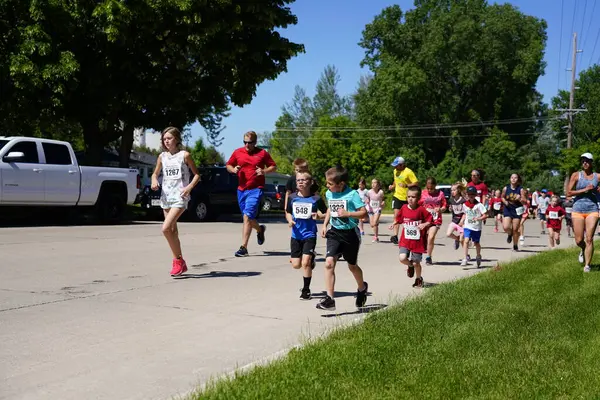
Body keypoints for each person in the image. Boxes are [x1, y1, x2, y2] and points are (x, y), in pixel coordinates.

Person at [151, 127, 201, 276]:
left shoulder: (184, 155)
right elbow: (155, 173)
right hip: (166, 196)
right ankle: (179, 262)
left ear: (177, 139)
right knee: (172, 231)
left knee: (165, 228)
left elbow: (197, 175)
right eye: (164, 139)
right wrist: (154, 180)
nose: (166, 141)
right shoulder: (162, 157)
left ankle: (178, 261)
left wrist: (189, 187)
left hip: (180, 196)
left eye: (169, 138)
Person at [318, 166, 369, 311]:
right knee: (329, 263)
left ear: (340, 184)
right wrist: (324, 224)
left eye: (330, 183)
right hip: (334, 233)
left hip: (350, 234)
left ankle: (362, 287)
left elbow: (363, 213)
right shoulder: (329, 193)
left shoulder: (352, 194)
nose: (327, 186)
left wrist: (348, 214)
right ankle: (330, 299)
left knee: (352, 266)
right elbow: (330, 208)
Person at [226, 131, 277, 257]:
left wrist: (264, 171)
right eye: (245, 142)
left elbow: (273, 166)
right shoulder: (238, 152)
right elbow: (228, 165)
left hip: (256, 189)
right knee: (247, 217)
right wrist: (233, 170)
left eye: (249, 143)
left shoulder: (262, 153)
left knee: (247, 217)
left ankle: (243, 247)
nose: (247, 145)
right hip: (241, 189)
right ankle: (260, 230)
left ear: (255, 142)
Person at [286, 171, 327, 300]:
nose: (300, 182)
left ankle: (306, 289)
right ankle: (312, 258)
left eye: (303, 180)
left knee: (305, 263)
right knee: (296, 265)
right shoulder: (292, 198)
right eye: (298, 180)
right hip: (296, 235)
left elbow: (327, 213)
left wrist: (319, 216)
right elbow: (287, 212)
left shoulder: (316, 199)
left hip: (309, 234)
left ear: (310, 182)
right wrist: (289, 220)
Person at [390, 186, 433, 288]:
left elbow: (430, 220)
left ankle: (418, 279)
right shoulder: (404, 208)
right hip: (406, 239)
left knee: (416, 263)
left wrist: (424, 224)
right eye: (408, 196)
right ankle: (409, 265)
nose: (410, 199)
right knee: (402, 258)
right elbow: (399, 218)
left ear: (418, 198)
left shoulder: (421, 209)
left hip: (417, 241)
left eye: (413, 197)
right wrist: (394, 223)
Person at [566, 152, 600, 272]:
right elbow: (568, 193)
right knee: (579, 240)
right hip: (578, 209)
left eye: (587, 161)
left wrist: (598, 190)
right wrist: (585, 189)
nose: (584, 163)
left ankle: (587, 265)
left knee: (589, 238)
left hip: (592, 209)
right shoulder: (576, 175)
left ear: (591, 163)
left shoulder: (598, 176)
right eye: (583, 161)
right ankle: (583, 249)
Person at [388, 156, 419, 245]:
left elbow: (416, 183)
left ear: (402, 165)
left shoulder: (408, 172)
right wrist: (393, 186)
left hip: (407, 198)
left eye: (397, 165)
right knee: (396, 216)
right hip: (397, 196)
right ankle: (395, 236)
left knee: (408, 218)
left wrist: (406, 185)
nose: (395, 167)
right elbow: (395, 180)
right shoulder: (395, 171)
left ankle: (410, 234)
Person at [419, 177, 447, 265]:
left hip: (436, 220)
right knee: (424, 238)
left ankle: (428, 257)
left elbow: (444, 206)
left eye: (431, 188)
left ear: (435, 186)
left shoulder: (440, 194)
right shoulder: (423, 193)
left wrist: (440, 209)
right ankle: (418, 253)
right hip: (424, 219)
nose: (429, 190)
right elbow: (418, 205)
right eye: (428, 188)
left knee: (431, 237)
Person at [460, 186, 487, 267]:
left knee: (476, 243)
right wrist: (461, 221)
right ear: (467, 195)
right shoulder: (465, 204)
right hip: (468, 226)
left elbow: (485, 215)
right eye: (469, 194)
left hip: (476, 227)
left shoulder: (479, 205)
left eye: (472, 194)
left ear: (475, 195)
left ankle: (478, 256)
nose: (471, 195)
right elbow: (465, 214)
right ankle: (465, 258)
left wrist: (479, 218)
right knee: (466, 240)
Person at [502, 173, 525, 251]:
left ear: (518, 179)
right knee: (506, 227)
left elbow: (525, 201)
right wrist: (505, 202)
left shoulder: (520, 189)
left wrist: (520, 199)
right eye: (512, 177)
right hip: (508, 208)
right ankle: (509, 233)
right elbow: (502, 197)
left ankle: (515, 245)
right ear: (510, 179)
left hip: (517, 210)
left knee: (515, 229)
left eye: (515, 178)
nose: (513, 179)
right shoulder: (506, 188)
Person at [446, 182, 466, 251]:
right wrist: (450, 209)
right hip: (454, 220)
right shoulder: (451, 200)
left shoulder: (463, 200)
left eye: (454, 190)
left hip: (462, 221)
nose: (452, 192)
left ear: (458, 191)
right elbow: (452, 209)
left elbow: (465, 213)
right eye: (451, 190)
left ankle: (466, 255)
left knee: (462, 239)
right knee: (448, 234)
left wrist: (462, 221)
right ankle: (456, 239)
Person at [366, 178, 385, 242]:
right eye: (372, 183)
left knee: (374, 223)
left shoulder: (381, 192)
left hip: (378, 209)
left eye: (375, 183)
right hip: (371, 209)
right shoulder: (369, 192)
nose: (373, 184)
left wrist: (383, 203)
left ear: (378, 185)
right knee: (372, 224)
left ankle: (375, 237)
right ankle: (376, 235)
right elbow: (367, 199)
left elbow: (383, 199)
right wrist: (367, 201)